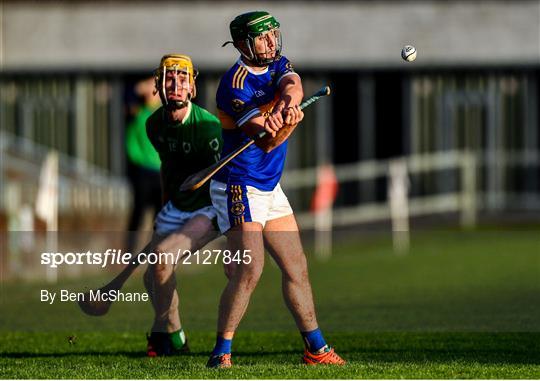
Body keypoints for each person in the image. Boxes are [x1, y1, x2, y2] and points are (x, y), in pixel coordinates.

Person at [207, 11, 346, 368]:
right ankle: (221, 353)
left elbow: (292, 84)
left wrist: (287, 104)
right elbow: (267, 143)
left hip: (269, 185)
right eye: (262, 37)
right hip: (239, 184)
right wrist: (286, 126)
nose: (271, 42)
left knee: (296, 265)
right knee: (250, 269)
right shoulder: (234, 86)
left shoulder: (277, 61)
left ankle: (316, 349)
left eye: (273, 34)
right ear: (242, 45)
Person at [142, 54, 223, 356]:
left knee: (162, 260)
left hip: (210, 208)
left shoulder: (208, 128)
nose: (175, 84)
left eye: (182, 79)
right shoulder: (154, 125)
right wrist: (164, 210)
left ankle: (162, 334)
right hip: (178, 207)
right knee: (152, 276)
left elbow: (225, 181)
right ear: (157, 86)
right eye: (168, 79)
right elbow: (168, 168)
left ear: (192, 88)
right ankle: (175, 337)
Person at [125, 77, 162, 254]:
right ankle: (128, 253)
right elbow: (131, 142)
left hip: (162, 172)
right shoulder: (139, 114)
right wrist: (139, 160)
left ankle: (157, 253)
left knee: (160, 216)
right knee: (138, 212)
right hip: (143, 172)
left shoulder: (165, 114)